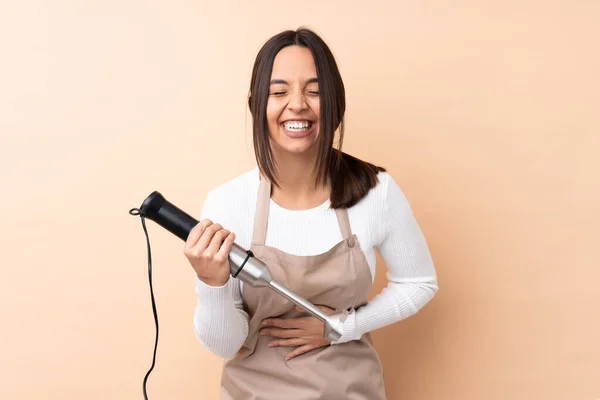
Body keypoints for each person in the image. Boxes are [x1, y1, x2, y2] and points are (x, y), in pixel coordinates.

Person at [184, 27, 438, 399]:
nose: (298, 104)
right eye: (279, 91)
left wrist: (342, 326)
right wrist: (213, 285)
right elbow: (224, 346)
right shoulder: (226, 203)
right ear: (256, 104)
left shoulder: (375, 191)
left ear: (336, 103)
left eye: (315, 91)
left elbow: (419, 283)